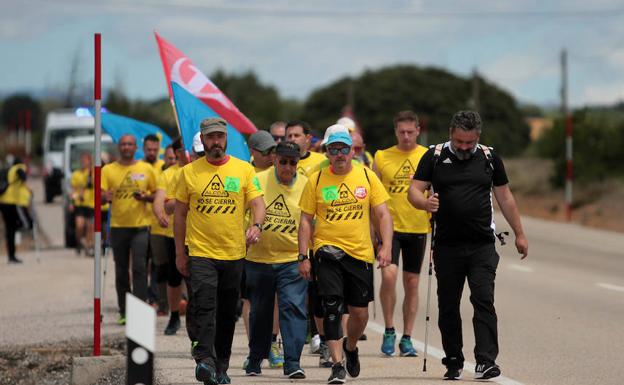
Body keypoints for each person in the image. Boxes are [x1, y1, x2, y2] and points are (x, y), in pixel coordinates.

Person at [408, 110, 528, 381]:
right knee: (448, 304)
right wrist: (424, 203)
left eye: (469, 143)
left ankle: (486, 361)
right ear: (451, 133)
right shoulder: (435, 155)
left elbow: (505, 197)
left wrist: (520, 234)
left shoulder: (489, 157)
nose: (464, 148)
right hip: (447, 246)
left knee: (483, 299)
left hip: (482, 245)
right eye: (459, 142)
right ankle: (453, 359)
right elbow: (413, 190)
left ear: (478, 138)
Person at [174, 117, 265, 385]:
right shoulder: (189, 173)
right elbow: (180, 216)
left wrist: (257, 226)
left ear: (226, 139)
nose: (216, 142)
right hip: (201, 252)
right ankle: (204, 360)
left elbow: (258, 204)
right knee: (204, 305)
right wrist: (180, 253)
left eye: (220, 137)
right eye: (211, 138)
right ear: (202, 140)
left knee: (227, 312)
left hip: (234, 253)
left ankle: (221, 365)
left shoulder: (242, 171)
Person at [298, 131, 393, 384]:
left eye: (344, 149)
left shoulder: (366, 176)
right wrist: (303, 256)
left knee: (359, 313)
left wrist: (386, 246)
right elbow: (306, 220)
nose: (339, 154)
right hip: (326, 253)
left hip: (359, 254)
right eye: (334, 149)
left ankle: (351, 347)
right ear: (327, 152)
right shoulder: (316, 179)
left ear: (353, 151)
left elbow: (383, 214)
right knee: (331, 307)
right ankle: (337, 365)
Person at [245, 141, 309, 379]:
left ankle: (292, 362)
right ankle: (254, 358)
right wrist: (247, 232)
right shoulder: (257, 180)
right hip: (258, 259)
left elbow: (311, 221)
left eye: (293, 163)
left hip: (292, 259)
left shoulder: (306, 184)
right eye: (283, 161)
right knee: (260, 312)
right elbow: (243, 210)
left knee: (293, 309)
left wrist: (307, 256)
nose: (288, 167)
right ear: (274, 159)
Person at [373, 110, 429, 357]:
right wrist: (374, 230)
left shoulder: (427, 156)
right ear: (395, 131)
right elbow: (373, 199)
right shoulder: (382, 156)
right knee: (388, 277)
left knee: (412, 283)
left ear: (418, 130)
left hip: (417, 227)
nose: (406, 136)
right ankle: (389, 329)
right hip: (390, 229)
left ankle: (407, 337)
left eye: (410, 132)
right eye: (401, 132)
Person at [101, 134, 157, 325]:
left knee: (140, 268)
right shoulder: (108, 170)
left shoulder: (145, 168)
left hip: (141, 226)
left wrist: (146, 197)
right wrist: (104, 196)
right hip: (118, 227)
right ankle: (124, 310)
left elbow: (157, 194)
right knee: (121, 270)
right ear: (119, 147)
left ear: (136, 148)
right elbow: (99, 196)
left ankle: (139, 312)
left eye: (130, 144)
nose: (126, 147)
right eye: (123, 144)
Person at [243, 130, 284, 369]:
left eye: (273, 151)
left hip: (276, 248)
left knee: (276, 297)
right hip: (248, 249)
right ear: (253, 153)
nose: (271, 155)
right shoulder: (245, 173)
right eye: (267, 152)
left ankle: (272, 342)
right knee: (250, 300)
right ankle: (255, 348)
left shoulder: (277, 173)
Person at [152, 141, 185, 336]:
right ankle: (174, 315)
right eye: (181, 149)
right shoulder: (168, 174)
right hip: (172, 234)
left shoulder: (198, 170)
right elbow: (160, 202)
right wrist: (160, 213)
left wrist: (174, 203)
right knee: (173, 278)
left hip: (197, 235)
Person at [142, 134, 167, 313]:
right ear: (143, 149)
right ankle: (145, 296)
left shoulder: (163, 167)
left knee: (159, 264)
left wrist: (147, 197)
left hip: (160, 224)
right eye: (148, 149)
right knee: (142, 263)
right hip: (142, 223)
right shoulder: (138, 167)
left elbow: (163, 194)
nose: (152, 152)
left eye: (154, 149)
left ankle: (157, 297)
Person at [0, 157, 31, 264]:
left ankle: (11, 255)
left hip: (3, 201)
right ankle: (12, 255)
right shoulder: (18, 168)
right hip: (11, 202)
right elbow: (22, 174)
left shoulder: (8, 170)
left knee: (10, 229)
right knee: (16, 226)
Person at [70, 152, 95, 256]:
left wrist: (91, 173)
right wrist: (71, 203)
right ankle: (79, 242)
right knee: (79, 225)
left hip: (91, 202)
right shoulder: (76, 174)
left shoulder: (93, 173)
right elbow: (73, 190)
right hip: (80, 202)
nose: (84, 162)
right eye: (82, 160)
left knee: (90, 227)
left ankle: (88, 246)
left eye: (86, 160)